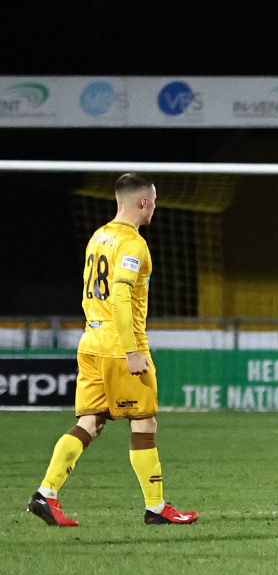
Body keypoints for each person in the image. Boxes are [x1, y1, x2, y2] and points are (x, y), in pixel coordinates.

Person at [27, 173, 198, 526]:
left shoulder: (98, 236)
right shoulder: (133, 244)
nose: (155, 207)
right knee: (144, 422)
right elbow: (120, 297)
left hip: (91, 341)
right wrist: (132, 350)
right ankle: (156, 508)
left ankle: (46, 493)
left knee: (90, 422)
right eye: (154, 201)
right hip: (120, 347)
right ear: (143, 202)